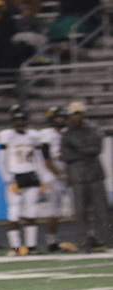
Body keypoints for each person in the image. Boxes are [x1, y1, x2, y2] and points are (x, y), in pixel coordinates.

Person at [60, 102, 112, 252]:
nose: (77, 116)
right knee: (80, 213)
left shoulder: (93, 129)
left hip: (94, 175)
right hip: (77, 177)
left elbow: (96, 149)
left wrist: (77, 149)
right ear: (70, 115)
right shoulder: (66, 133)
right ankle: (84, 244)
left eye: (79, 113)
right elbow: (65, 155)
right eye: (74, 114)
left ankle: (109, 242)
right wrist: (84, 150)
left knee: (102, 211)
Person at [0, 105, 47, 256]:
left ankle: (31, 246)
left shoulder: (33, 136)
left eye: (22, 120)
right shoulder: (6, 136)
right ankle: (16, 247)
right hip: (15, 176)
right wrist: (9, 180)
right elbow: (1, 161)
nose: (20, 123)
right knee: (14, 211)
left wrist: (42, 178)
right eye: (17, 120)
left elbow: (38, 158)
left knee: (31, 211)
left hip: (31, 174)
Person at [37, 106, 76, 252]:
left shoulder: (68, 133)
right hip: (51, 175)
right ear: (51, 119)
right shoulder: (46, 135)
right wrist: (60, 174)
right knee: (55, 210)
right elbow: (47, 160)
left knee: (79, 207)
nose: (61, 119)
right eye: (57, 117)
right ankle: (51, 242)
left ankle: (88, 237)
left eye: (62, 117)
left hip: (66, 173)